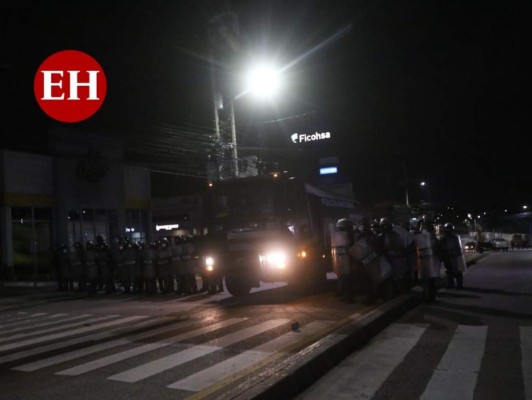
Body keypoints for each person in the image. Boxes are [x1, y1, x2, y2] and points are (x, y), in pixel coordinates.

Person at [413, 220, 441, 303]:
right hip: (428, 261)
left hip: (425, 261)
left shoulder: (420, 236)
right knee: (430, 282)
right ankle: (430, 298)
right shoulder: (431, 237)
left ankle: (428, 298)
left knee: (427, 281)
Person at [440, 222, 466, 289]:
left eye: (448, 229)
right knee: (449, 271)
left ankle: (459, 285)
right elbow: (442, 246)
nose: (447, 230)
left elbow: (457, 247)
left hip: (455, 256)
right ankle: (451, 284)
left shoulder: (455, 237)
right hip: (448, 256)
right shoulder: (444, 238)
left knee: (457, 271)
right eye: (446, 229)